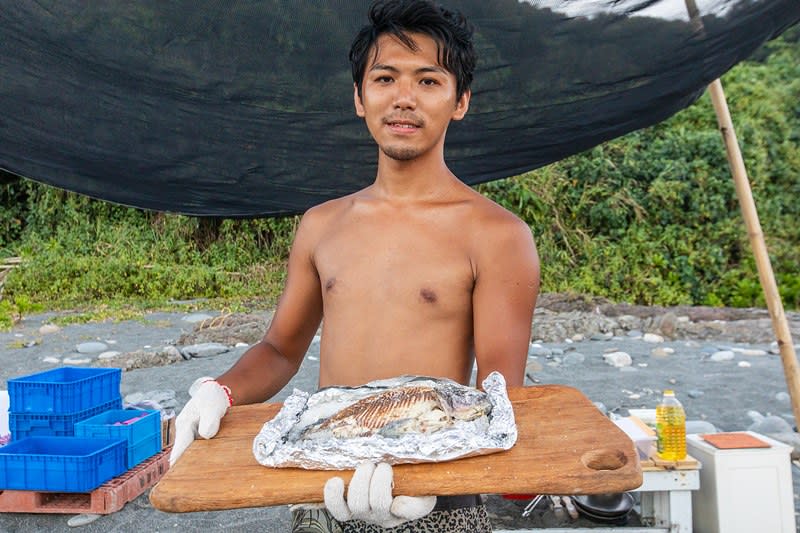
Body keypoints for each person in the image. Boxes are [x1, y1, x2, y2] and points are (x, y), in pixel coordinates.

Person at [169, 0, 540, 531]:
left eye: (428, 82)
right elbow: (279, 350)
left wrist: (431, 488)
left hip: (436, 500)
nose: (404, 98)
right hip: (322, 489)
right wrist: (219, 390)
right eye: (385, 77)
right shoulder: (322, 224)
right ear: (359, 99)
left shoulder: (497, 235)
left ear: (460, 101)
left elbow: (501, 399)